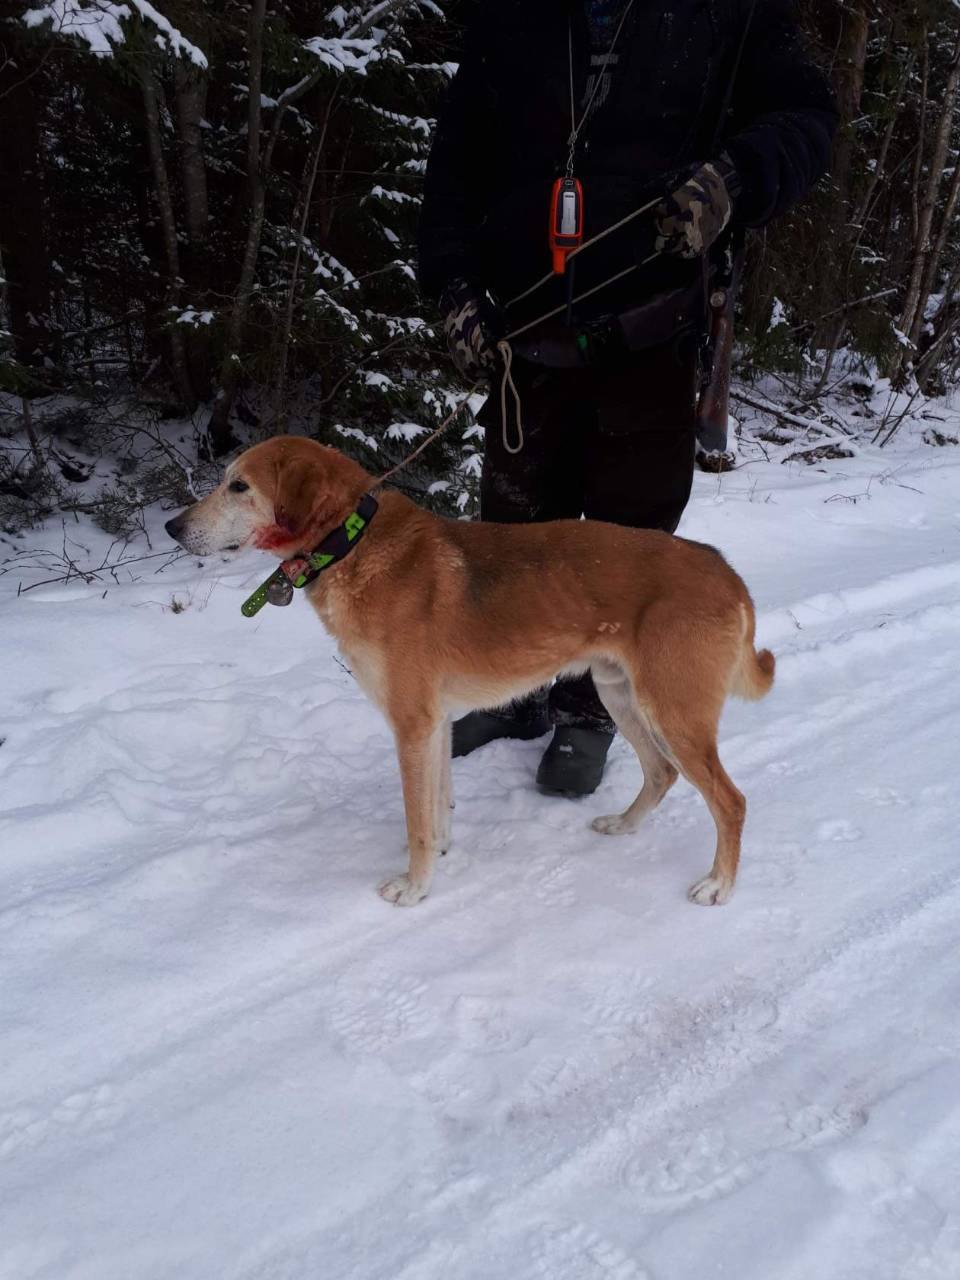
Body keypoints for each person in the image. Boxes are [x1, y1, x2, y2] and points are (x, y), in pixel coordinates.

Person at [417, 0, 837, 797]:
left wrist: (737, 177)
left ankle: (588, 708)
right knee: (511, 536)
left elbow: (806, 116)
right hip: (522, 341)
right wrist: (449, 284)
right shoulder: (513, 18)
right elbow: (453, 166)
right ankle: (517, 691)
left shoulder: (731, 14)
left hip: (651, 338)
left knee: (628, 542)